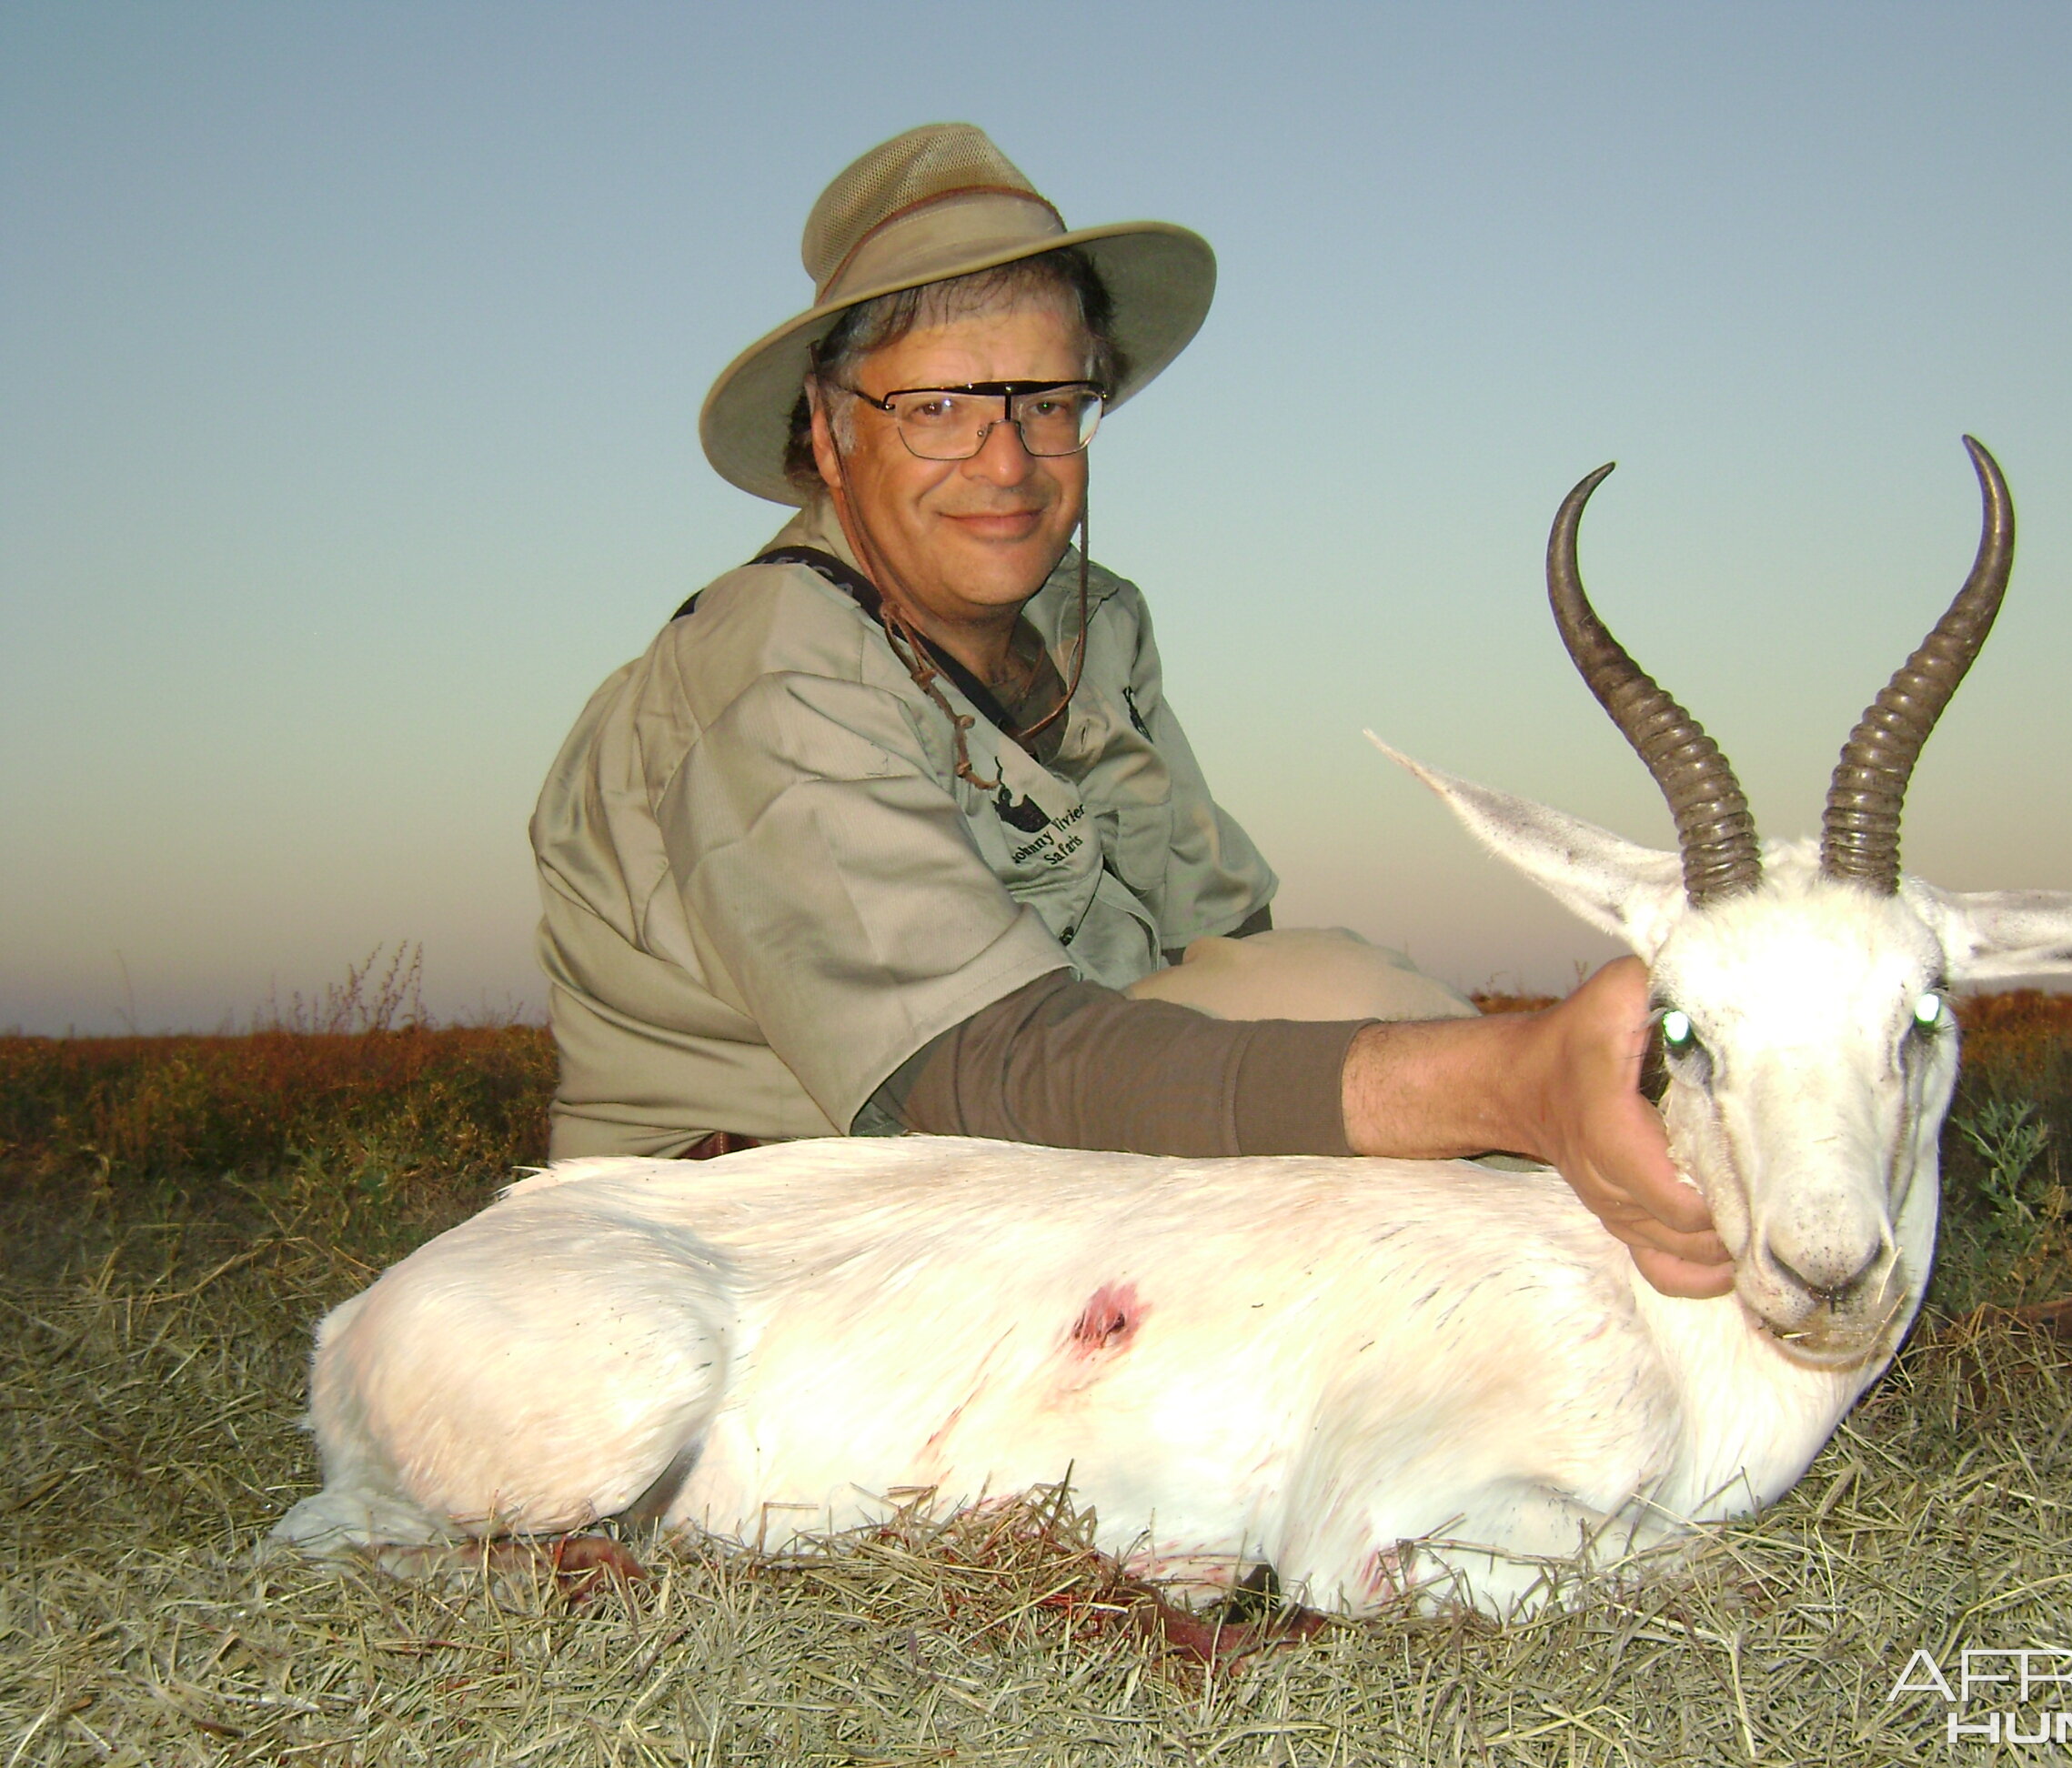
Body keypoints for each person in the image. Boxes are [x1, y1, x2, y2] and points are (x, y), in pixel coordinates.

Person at [529, 123, 1730, 1298]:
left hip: (1013, 1152)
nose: (1009, 464)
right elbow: (982, 1072)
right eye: (940, 409)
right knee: (1353, 1038)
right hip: (757, 1242)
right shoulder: (777, 675)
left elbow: (1226, 943)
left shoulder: (1090, 623)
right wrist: (1496, 1081)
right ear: (832, 437)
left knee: (1335, 991)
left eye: (1049, 403)